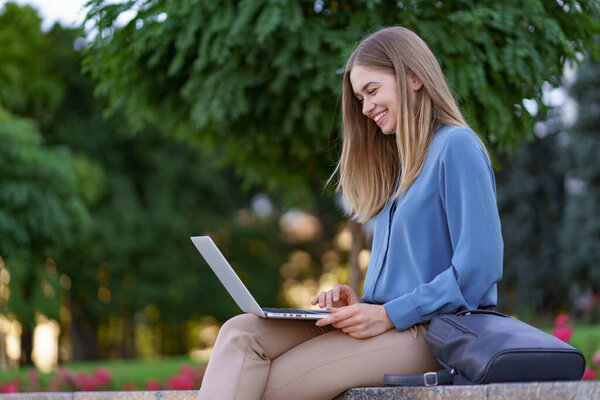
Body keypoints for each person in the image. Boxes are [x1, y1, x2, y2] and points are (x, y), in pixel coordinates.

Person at [195, 26, 503, 400]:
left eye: (372, 91)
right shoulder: (398, 168)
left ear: (415, 77)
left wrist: (389, 314)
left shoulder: (456, 147)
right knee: (240, 332)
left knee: (271, 382)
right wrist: (362, 304)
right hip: (387, 324)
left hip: (433, 333)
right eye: (359, 97)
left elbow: (479, 269)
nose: (365, 107)